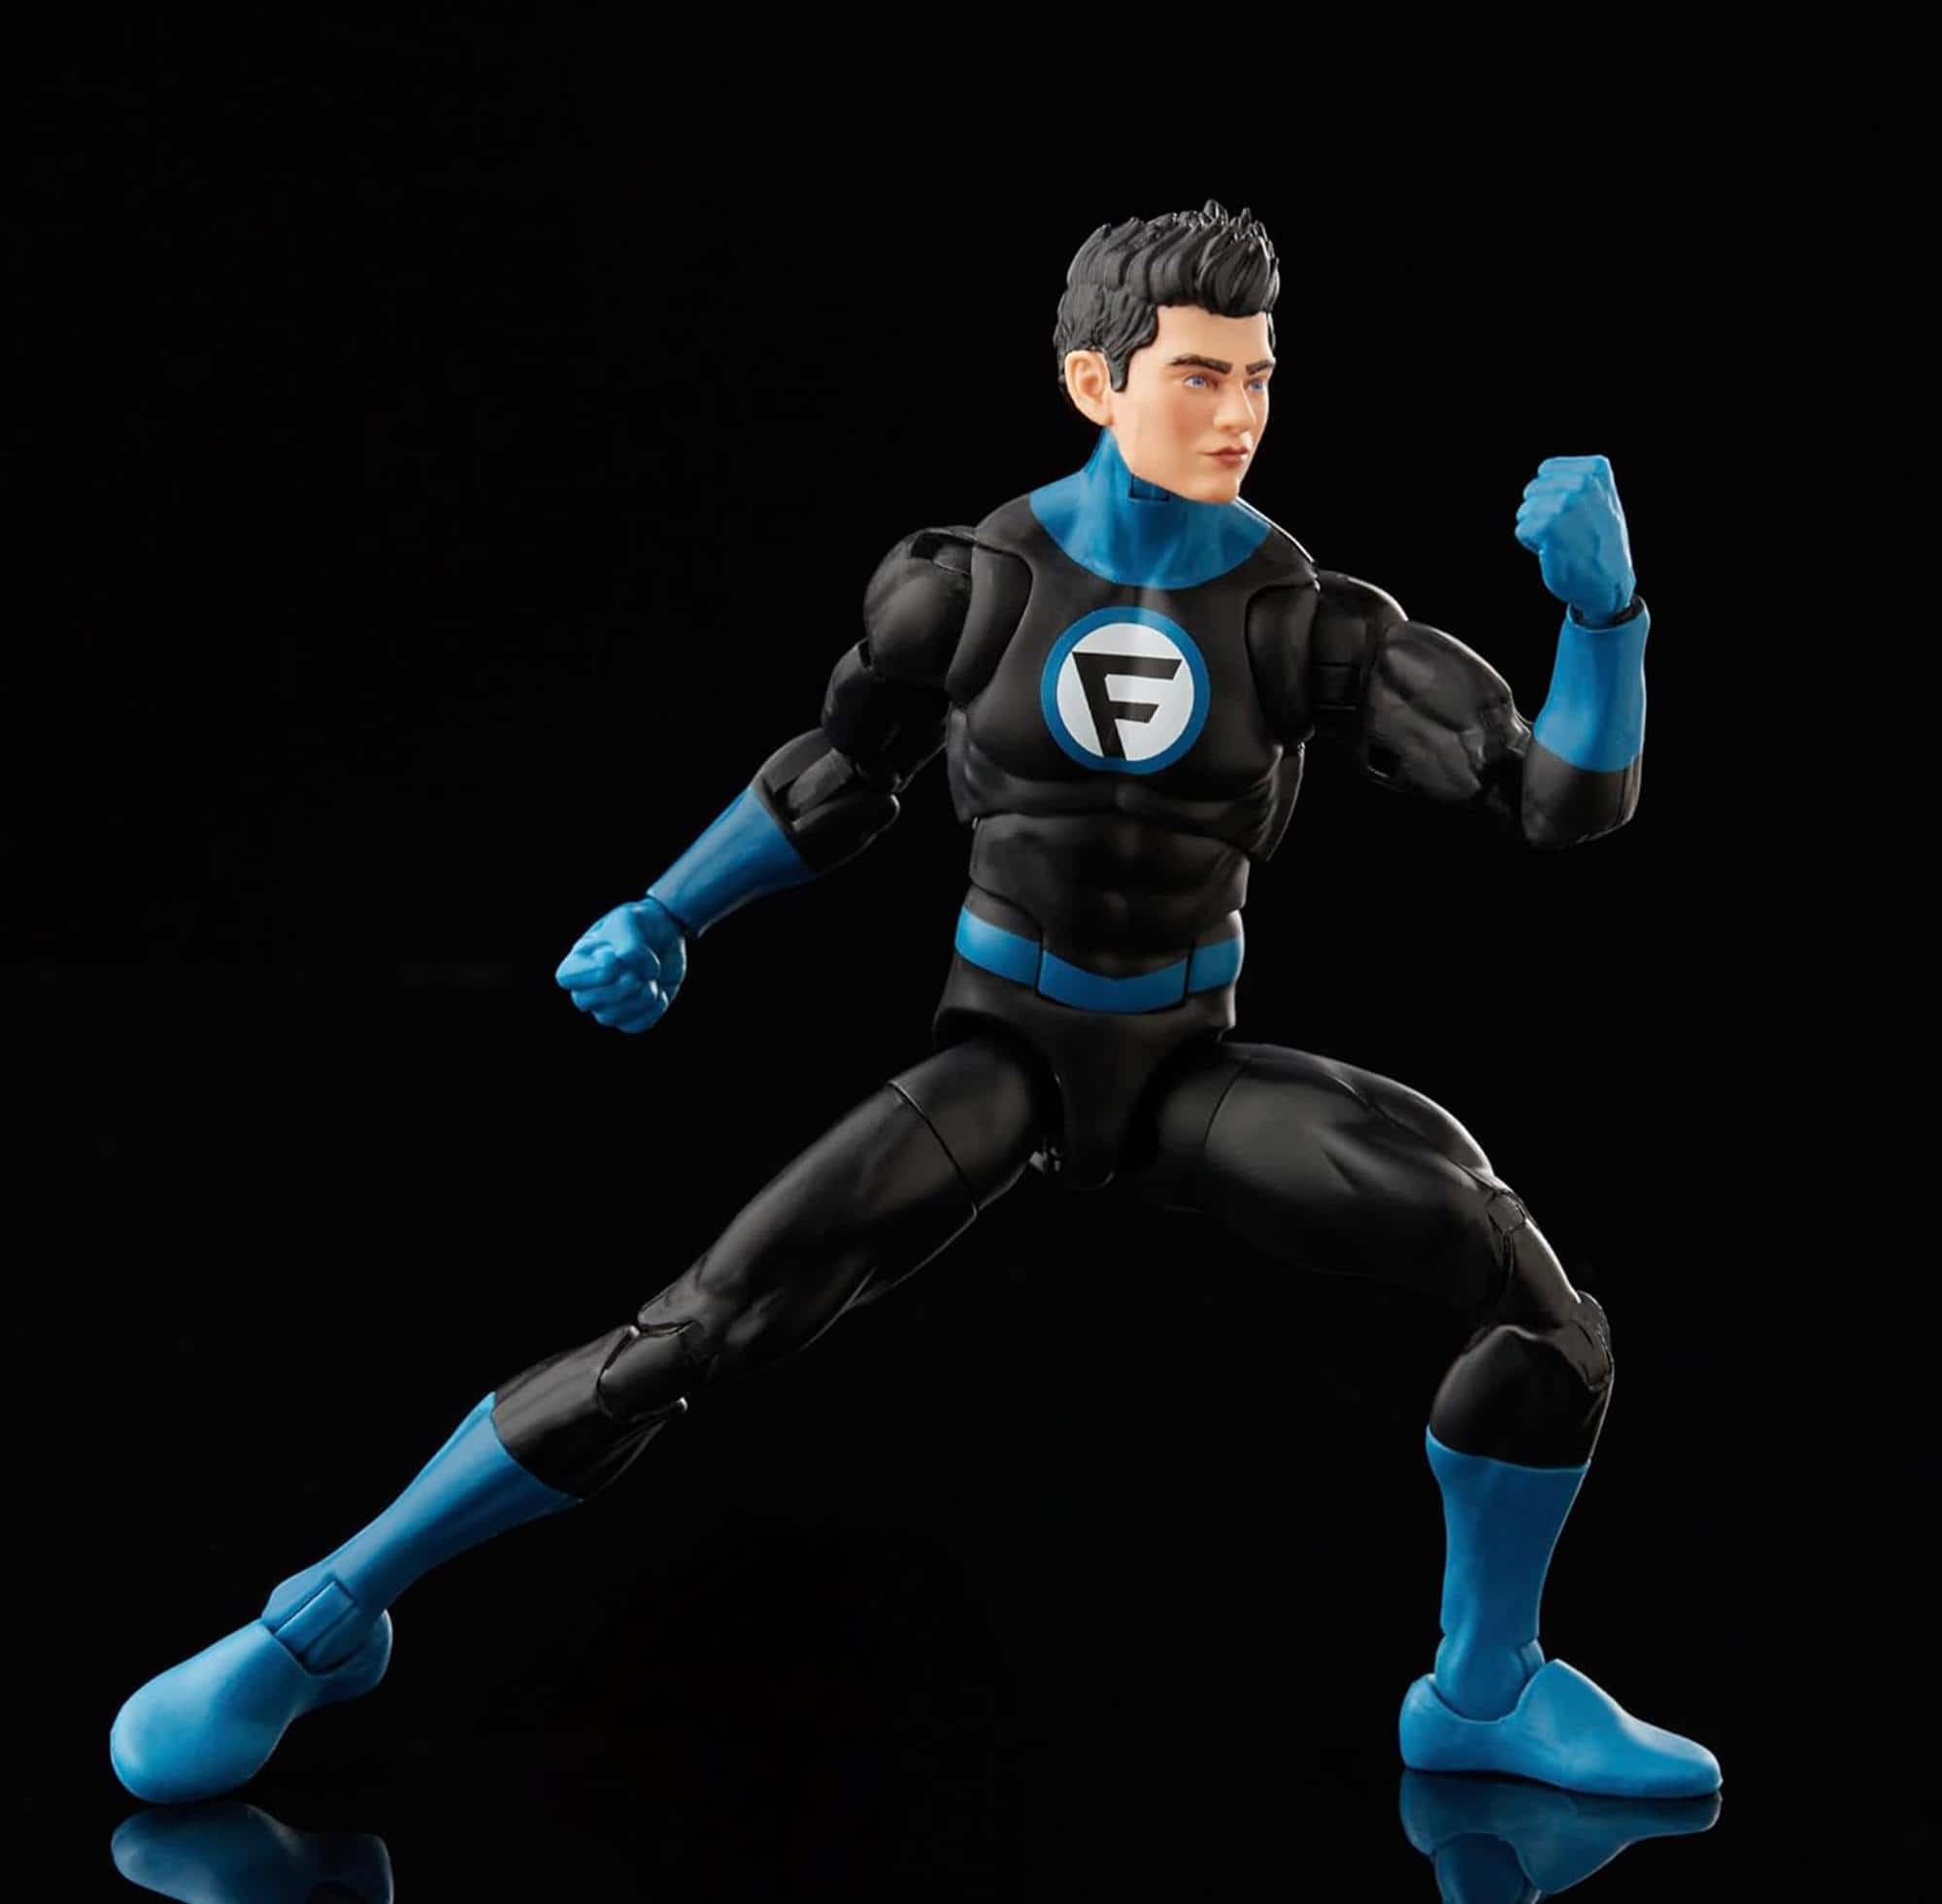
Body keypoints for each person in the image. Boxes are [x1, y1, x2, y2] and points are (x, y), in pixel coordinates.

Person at [111, 200, 1719, 1805]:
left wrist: (1605, 618)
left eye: (1261, 376)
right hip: (1004, 1049)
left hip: (1185, 1065)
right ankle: (324, 1616)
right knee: (696, 1329)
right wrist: (667, 910)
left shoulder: (1309, 624)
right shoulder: (970, 586)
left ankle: (1483, 1696)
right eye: (1200, 375)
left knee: (1546, 1314)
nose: (1240, 414)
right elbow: (837, 774)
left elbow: (1559, 803)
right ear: (1094, 382)